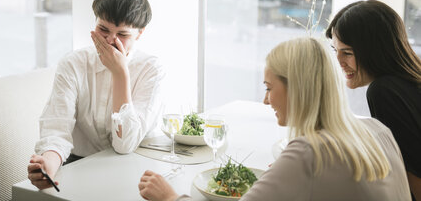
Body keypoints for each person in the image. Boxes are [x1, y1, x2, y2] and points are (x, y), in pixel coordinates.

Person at [138, 37, 411, 201]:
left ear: (297, 89)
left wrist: (170, 196)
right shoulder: (377, 130)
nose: (266, 101)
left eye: (269, 88)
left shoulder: (308, 152)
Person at [28, 0, 165, 190]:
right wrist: (49, 162)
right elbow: (56, 129)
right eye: (103, 30)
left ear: (140, 33)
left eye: (123, 34)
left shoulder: (151, 70)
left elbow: (125, 145)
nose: (111, 41)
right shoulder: (73, 63)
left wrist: (121, 74)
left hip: (135, 168)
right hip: (79, 165)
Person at [326, 0, 421, 200]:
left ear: (374, 51)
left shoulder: (384, 92)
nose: (339, 62)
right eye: (336, 51)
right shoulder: (411, 79)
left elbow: (414, 177)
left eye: (348, 53)